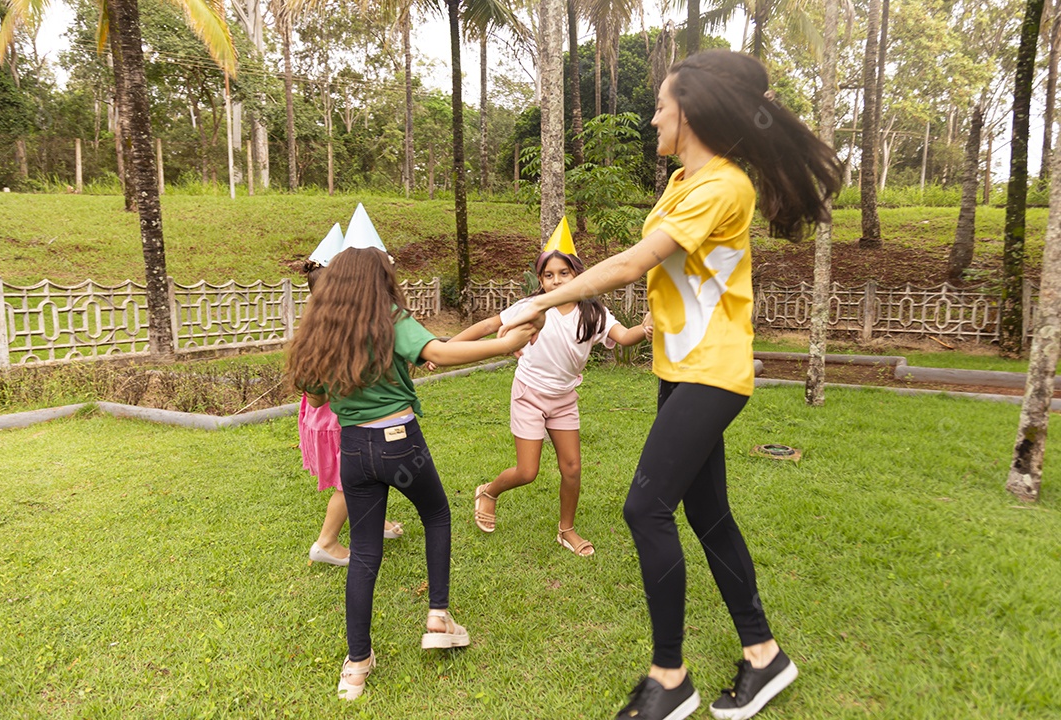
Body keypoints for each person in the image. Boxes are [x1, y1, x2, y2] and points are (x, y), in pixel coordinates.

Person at [501, 51, 841, 720]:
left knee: (644, 508)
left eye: (661, 104)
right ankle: (765, 657)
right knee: (707, 514)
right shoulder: (684, 179)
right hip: (682, 370)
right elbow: (667, 275)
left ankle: (669, 677)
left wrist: (545, 301)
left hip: (714, 373)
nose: (653, 115)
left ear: (691, 112)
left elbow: (634, 263)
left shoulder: (725, 186)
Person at [285, 204, 536, 702]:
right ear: (379, 279)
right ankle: (438, 617)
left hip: (354, 453)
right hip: (402, 445)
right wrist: (504, 344)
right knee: (437, 515)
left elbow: (314, 398)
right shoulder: (391, 318)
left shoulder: (321, 331)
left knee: (365, 557)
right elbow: (438, 353)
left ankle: (356, 666)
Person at [452, 219, 651, 557]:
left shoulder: (594, 312)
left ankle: (566, 530)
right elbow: (488, 325)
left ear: (578, 275)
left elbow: (623, 338)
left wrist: (645, 328)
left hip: (564, 399)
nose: (556, 280)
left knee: (572, 468)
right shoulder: (531, 308)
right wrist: (445, 349)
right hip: (529, 393)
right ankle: (488, 492)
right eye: (548, 274)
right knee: (527, 471)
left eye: (564, 273)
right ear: (539, 279)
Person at [298, 223, 404, 568]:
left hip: (332, 414)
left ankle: (373, 521)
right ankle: (326, 542)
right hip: (337, 417)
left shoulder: (325, 320)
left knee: (369, 473)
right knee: (351, 480)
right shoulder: (336, 325)